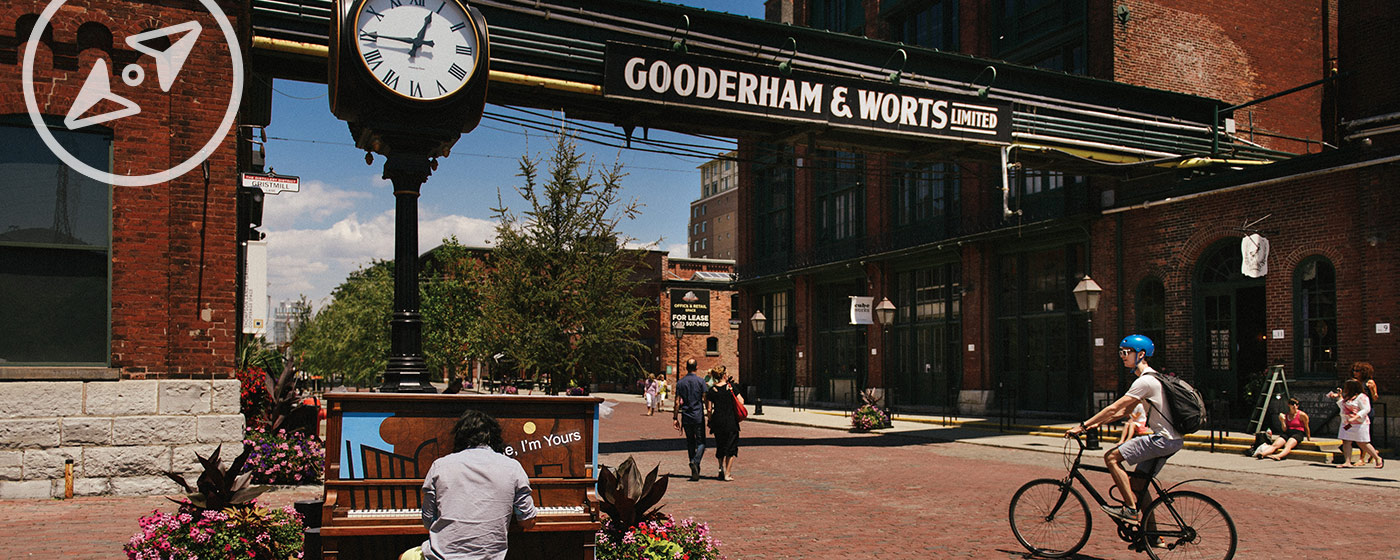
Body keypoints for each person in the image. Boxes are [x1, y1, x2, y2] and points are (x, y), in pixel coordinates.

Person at [1065, 335, 1183, 524]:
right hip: (1172, 440)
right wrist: (1098, 424)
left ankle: (1130, 510)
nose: (1122, 356)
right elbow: (1124, 411)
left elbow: (1113, 407)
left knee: (1111, 458)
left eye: (1126, 352)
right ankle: (1152, 536)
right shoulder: (1152, 378)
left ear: (1141, 354)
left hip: (1162, 440)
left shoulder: (1145, 381)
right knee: (1138, 484)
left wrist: (1083, 426)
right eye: (1121, 352)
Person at [402, 409, 536, 560]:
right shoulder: (513, 467)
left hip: (442, 557)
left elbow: (428, 522)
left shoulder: (440, 466)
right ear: (493, 438)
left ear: (460, 438)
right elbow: (528, 521)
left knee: (405, 556)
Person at [1330, 379, 1383, 468]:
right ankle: (1347, 461)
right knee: (1346, 441)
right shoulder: (1347, 397)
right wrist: (1339, 397)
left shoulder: (1362, 397)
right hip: (1346, 423)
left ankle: (1377, 458)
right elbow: (1342, 407)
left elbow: (1366, 409)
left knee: (1362, 442)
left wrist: (1356, 417)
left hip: (1359, 423)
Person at [673, 358, 708, 481]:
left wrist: (675, 417)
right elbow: (705, 398)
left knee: (690, 442)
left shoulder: (681, 382)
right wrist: (709, 413)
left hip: (686, 416)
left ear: (686, 367)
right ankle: (695, 461)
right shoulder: (701, 381)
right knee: (701, 442)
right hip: (698, 415)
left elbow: (677, 402)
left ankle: (694, 467)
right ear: (697, 367)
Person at [705, 371, 743, 481]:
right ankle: (727, 473)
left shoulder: (712, 390)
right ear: (724, 376)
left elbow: (708, 409)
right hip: (731, 421)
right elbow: (741, 400)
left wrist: (710, 419)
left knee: (720, 445)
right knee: (731, 447)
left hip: (718, 421)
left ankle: (720, 467)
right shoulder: (731, 387)